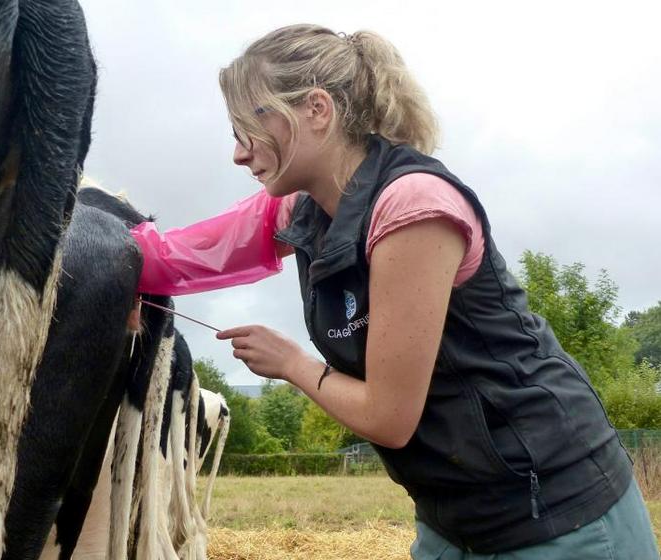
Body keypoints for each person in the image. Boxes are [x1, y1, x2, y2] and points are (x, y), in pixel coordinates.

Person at [130, 24, 659, 559]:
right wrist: (101, 253)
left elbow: (389, 417)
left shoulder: (413, 207)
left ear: (317, 110)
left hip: (560, 517)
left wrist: (291, 361)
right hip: (454, 518)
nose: (238, 155)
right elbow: (183, 255)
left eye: (249, 127)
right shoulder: (304, 209)